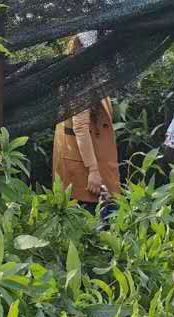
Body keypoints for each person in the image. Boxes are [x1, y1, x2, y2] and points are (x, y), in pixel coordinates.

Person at [53, 35, 121, 219]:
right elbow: (80, 127)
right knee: (98, 224)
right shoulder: (81, 81)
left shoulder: (78, 76)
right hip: (85, 171)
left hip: (85, 163)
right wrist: (93, 170)